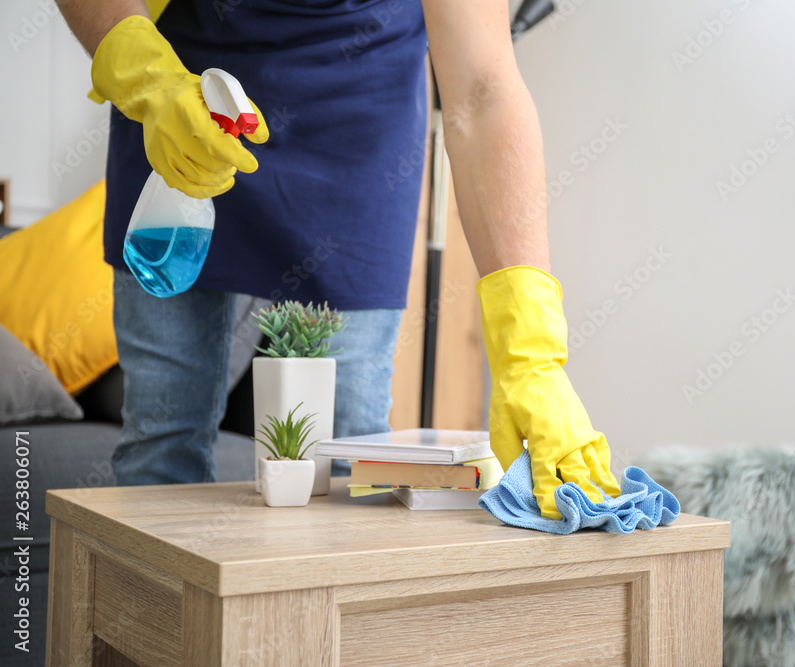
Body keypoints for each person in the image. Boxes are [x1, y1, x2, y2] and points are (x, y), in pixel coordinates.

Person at [55, 0, 620, 519]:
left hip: (357, 124)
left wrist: (532, 356)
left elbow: (483, 87)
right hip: (183, 112)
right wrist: (148, 81)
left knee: (358, 459)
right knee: (162, 441)